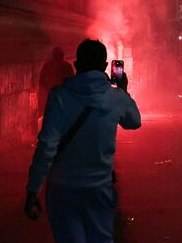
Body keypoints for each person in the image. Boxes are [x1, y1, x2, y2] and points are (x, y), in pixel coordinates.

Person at [24, 39, 141, 243]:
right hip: (99, 189)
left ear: (76, 65)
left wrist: (33, 188)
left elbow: (46, 147)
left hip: (62, 189)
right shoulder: (116, 98)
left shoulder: (59, 96)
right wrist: (123, 90)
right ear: (106, 67)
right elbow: (134, 121)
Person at [38, 47, 74, 118]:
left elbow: (42, 79)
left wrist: (47, 88)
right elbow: (72, 80)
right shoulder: (67, 66)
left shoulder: (48, 65)